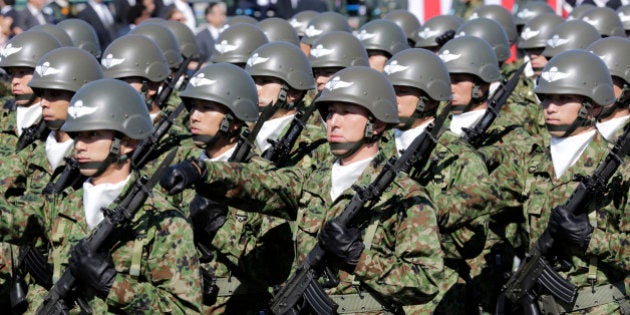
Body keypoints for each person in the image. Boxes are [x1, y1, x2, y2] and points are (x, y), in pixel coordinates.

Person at [160, 66, 445, 313]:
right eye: (331, 112)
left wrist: (360, 258)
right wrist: (202, 172)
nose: (334, 121)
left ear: (377, 122)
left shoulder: (405, 195)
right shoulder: (312, 180)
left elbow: (426, 282)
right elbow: (263, 183)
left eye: (346, 112)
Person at [0, 78, 203, 313]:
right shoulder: (62, 205)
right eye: (77, 135)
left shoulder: (162, 221)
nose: (80, 145)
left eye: (92, 134)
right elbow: (10, 216)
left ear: (126, 142)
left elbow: (185, 310)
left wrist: (112, 283)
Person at [495, 49, 629, 314]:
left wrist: (591, 238)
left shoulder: (620, 170)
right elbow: (497, 216)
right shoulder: (529, 162)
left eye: (563, 98)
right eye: (545, 98)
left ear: (592, 105)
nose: (550, 107)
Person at [382, 48, 498, 314]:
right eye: (390, 89)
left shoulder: (458, 157)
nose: (392, 97)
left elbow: (471, 239)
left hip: (435, 297)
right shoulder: (375, 148)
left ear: (428, 98)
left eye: (402, 91)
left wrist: (411, 221)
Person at [0, 31, 61, 157]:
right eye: (12, 73)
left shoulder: (55, 122)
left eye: (22, 72)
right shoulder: (3, 109)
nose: (15, 81)